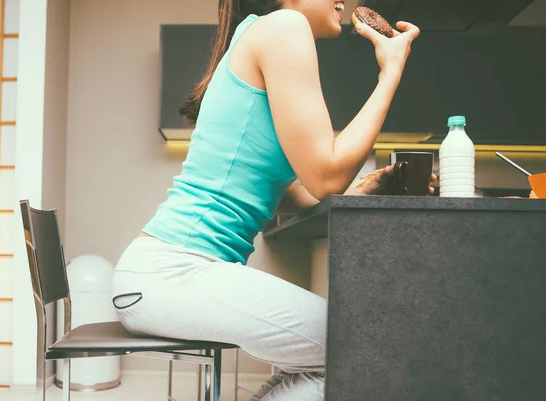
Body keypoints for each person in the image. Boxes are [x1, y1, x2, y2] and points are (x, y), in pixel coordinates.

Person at [112, 1, 429, 399]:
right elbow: (328, 175)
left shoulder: (259, 33)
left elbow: (287, 189)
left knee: (335, 357)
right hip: (174, 273)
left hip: (165, 274)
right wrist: (391, 72)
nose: (342, 0)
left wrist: (362, 188)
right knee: (358, 350)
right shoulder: (284, 27)